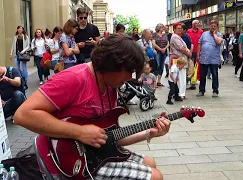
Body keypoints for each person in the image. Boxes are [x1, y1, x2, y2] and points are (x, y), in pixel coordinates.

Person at [14, 35, 170, 180]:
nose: (130, 78)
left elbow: (108, 137)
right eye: (128, 71)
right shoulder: (74, 79)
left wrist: (149, 133)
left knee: (150, 163)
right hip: (63, 161)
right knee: (154, 176)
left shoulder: (111, 86)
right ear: (111, 64)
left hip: (94, 154)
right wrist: (80, 132)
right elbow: (22, 115)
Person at [196, 20, 223, 97]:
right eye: (212, 26)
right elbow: (199, 44)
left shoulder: (219, 35)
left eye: (214, 26)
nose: (213, 27)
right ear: (209, 26)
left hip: (214, 59)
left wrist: (214, 34)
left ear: (217, 27)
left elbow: (218, 42)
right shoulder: (204, 34)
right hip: (204, 58)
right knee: (202, 75)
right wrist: (198, 54)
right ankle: (201, 90)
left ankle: (215, 91)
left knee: (214, 75)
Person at [187, 20, 203, 90]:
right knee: (191, 66)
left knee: (197, 67)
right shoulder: (189, 31)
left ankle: (193, 81)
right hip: (191, 51)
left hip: (198, 51)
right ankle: (190, 81)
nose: (197, 24)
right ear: (193, 24)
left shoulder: (201, 32)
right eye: (195, 23)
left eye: (198, 23)